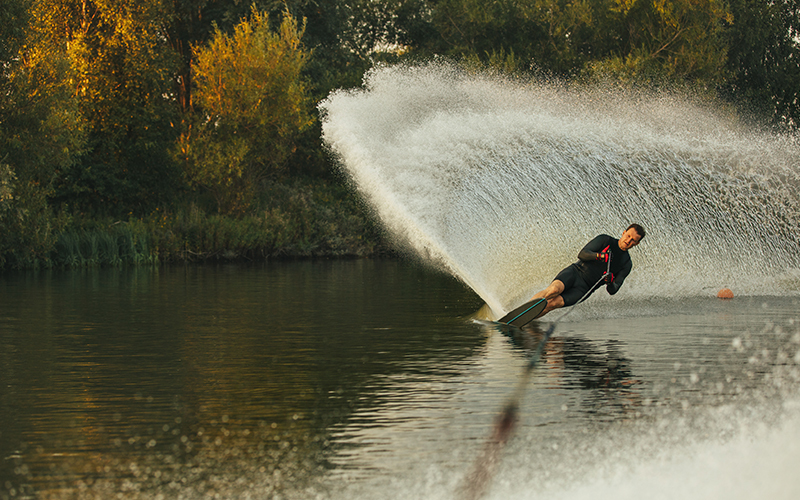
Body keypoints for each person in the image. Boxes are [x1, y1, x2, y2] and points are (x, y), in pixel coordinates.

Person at [532, 224, 645, 318]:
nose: (628, 240)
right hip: (575, 273)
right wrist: (599, 256)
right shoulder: (605, 240)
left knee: (552, 304)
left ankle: (524, 320)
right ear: (624, 232)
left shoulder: (626, 264)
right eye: (628, 235)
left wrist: (610, 282)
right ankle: (524, 309)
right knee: (553, 290)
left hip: (585, 289)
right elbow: (582, 254)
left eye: (633, 240)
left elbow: (613, 290)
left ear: (636, 243)